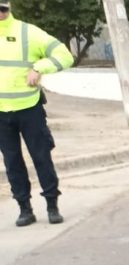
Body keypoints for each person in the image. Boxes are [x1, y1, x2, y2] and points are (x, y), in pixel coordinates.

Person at [0, 3, 73, 227]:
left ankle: (52, 205)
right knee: (12, 163)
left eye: (2, 9)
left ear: (7, 9)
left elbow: (65, 56)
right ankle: (25, 209)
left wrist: (40, 67)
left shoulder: (27, 32)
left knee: (41, 157)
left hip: (29, 108)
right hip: (2, 113)